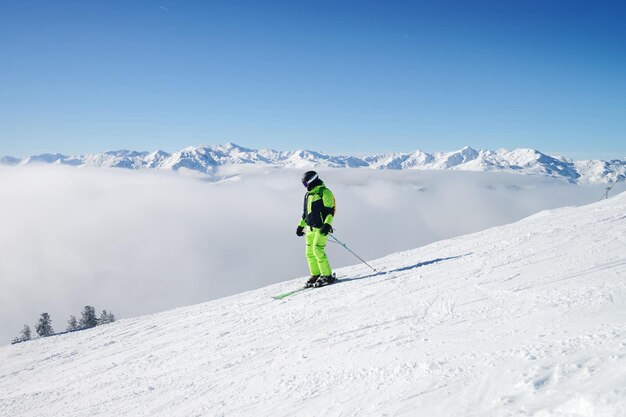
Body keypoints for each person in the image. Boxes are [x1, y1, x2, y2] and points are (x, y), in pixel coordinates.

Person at [296, 171, 336, 287]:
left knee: (318, 250)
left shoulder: (324, 192)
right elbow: (306, 214)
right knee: (309, 253)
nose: (305, 187)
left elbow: (330, 211)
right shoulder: (308, 195)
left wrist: (327, 225)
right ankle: (316, 274)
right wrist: (300, 226)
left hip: (321, 228)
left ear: (311, 181)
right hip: (310, 229)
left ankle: (327, 276)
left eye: (305, 184)